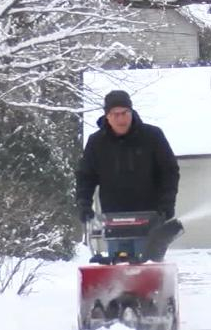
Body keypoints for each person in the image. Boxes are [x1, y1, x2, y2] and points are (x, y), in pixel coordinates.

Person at [75, 89, 180, 230]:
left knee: (149, 253)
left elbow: (169, 172)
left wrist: (167, 203)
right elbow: (85, 177)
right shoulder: (96, 142)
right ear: (107, 116)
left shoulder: (153, 136)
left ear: (131, 112)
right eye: (115, 114)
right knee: (118, 252)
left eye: (125, 113)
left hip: (151, 218)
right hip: (113, 219)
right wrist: (84, 204)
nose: (121, 119)